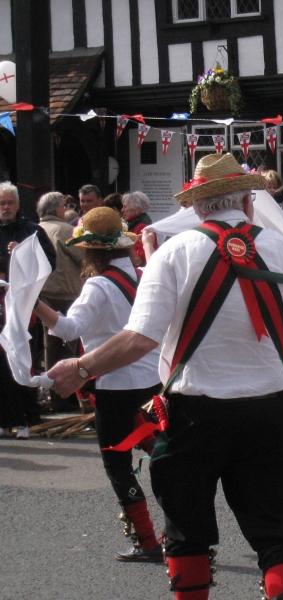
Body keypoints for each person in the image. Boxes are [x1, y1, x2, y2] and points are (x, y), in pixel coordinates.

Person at [47, 153, 283, 600]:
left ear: (198, 207)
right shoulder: (282, 248)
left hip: (196, 414)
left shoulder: (174, 252)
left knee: (187, 535)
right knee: (277, 539)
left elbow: (139, 339)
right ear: (248, 203)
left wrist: (80, 368)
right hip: (271, 410)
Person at [34, 206, 164, 562]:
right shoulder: (140, 275)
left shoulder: (98, 284)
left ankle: (148, 541)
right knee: (163, 455)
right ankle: (181, 528)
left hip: (115, 385)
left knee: (118, 464)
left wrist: (34, 302)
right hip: (151, 383)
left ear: (92, 250)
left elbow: (68, 329)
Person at [0, 182, 56, 438]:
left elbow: (48, 263)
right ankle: (5, 418)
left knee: (22, 359)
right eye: (1, 203)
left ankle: (27, 418)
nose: (5, 208)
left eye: (10, 202)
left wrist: (22, 256)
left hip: (23, 305)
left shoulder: (32, 231)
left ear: (18, 204)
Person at [36, 191, 84, 412]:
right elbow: (83, 258)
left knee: (48, 345)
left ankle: (52, 395)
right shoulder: (65, 230)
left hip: (43, 293)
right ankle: (64, 395)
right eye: (63, 207)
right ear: (57, 209)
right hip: (65, 292)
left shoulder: (37, 229)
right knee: (67, 345)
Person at [121, 191, 153, 266]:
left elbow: (139, 258)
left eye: (125, 206)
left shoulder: (142, 227)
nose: (122, 210)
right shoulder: (132, 224)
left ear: (136, 209)